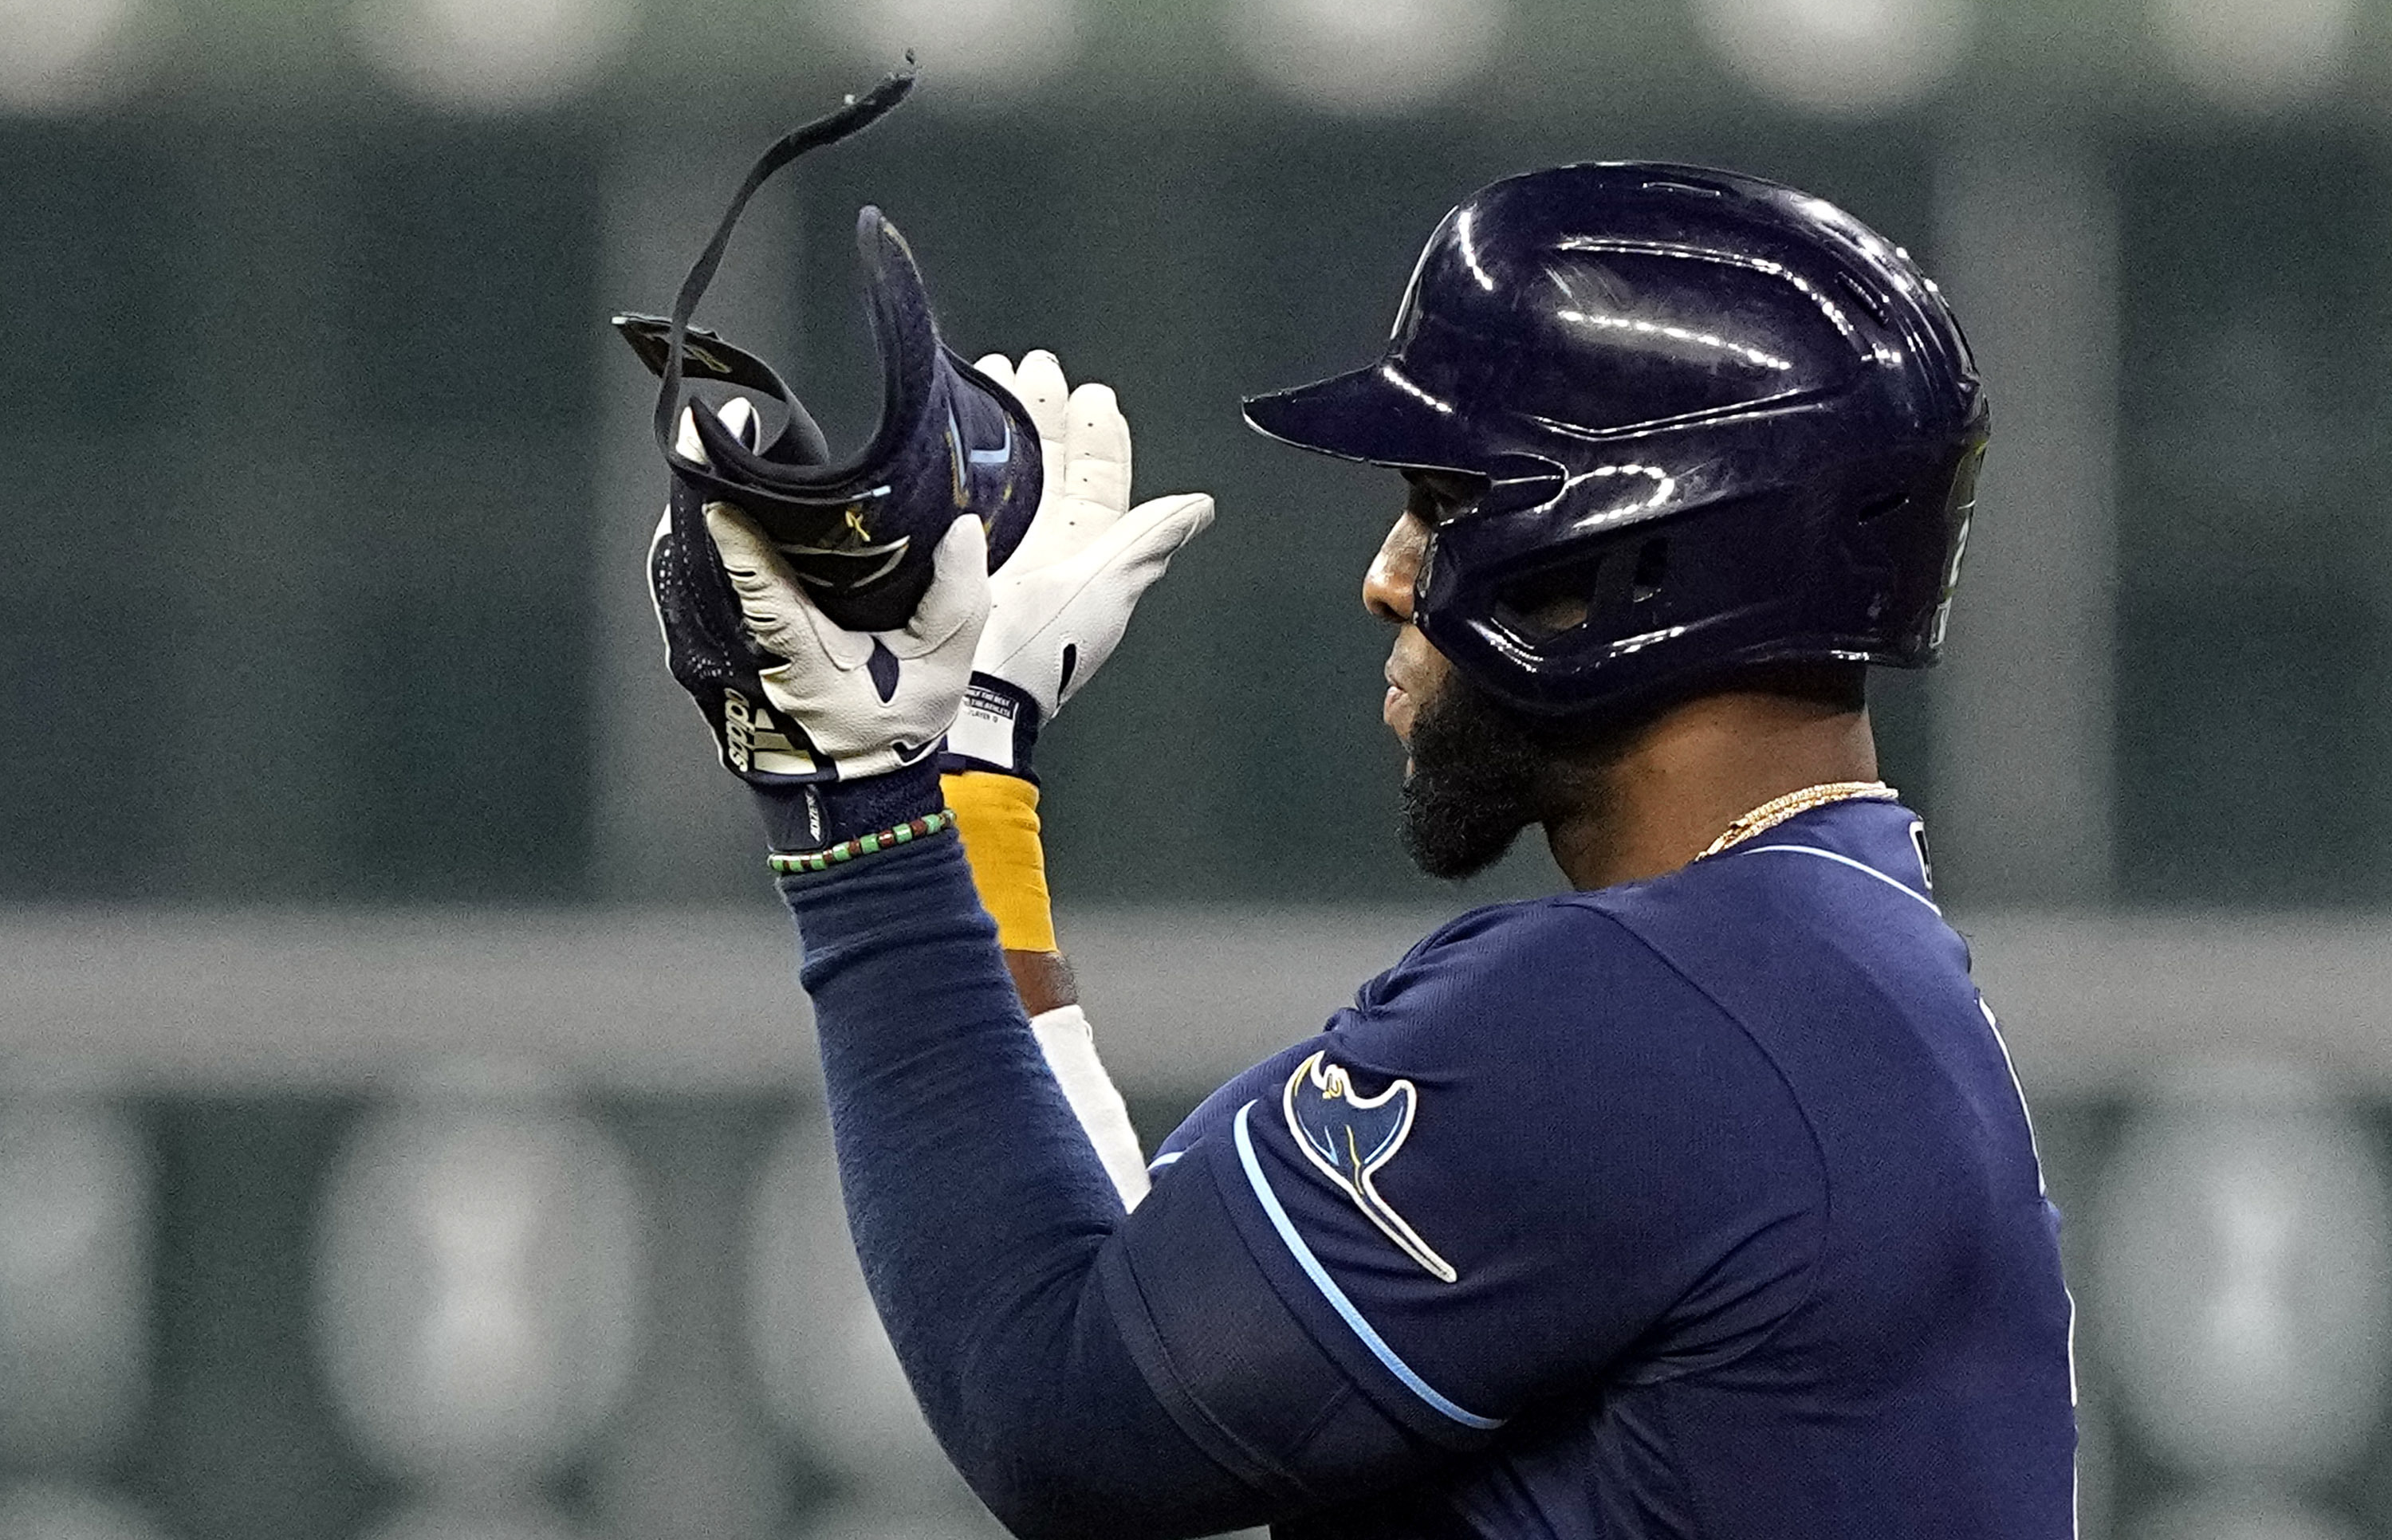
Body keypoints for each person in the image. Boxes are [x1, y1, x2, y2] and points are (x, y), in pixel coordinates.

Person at [648, 163, 2077, 1538]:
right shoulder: (1825, 968)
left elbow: (1061, 1409)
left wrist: (855, 809)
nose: (1389, 575)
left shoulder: (1643, 1021)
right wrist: (974, 777)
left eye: (1447, 509)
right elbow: (1141, 1291)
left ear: (1647, 554)